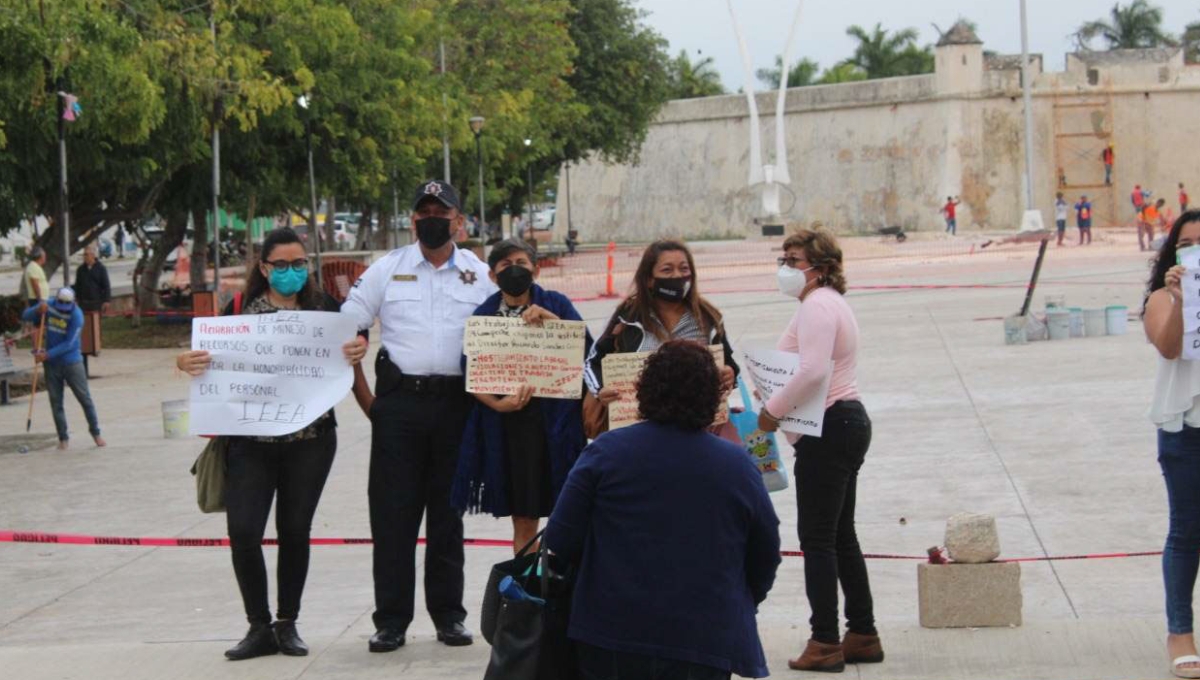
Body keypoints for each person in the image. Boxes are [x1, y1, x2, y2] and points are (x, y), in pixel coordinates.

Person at [175, 227, 368, 661]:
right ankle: (258, 625)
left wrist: (358, 349)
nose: (291, 272)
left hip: (311, 441)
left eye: (299, 263)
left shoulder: (324, 309)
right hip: (249, 442)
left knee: (295, 531)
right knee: (243, 531)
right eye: (280, 265)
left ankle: (287, 623)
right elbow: (205, 357)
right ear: (264, 268)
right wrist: (185, 361)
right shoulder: (239, 310)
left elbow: (355, 341)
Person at [546, 340, 781, 680]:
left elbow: (561, 537)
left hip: (611, 633)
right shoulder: (737, 465)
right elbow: (766, 553)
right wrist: (739, 601)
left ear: (643, 391)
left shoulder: (606, 453)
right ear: (713, 398)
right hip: (704, 639)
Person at [341, 179, 496, 653]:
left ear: (459, 222)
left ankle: (449, 615)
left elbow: (505, 326)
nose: (432, 219)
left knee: (447, 518)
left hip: (457, 406)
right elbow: (347, 329)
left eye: (441, 212)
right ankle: (390, 620)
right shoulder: (386, 270)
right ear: (412, 221)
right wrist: (372, 405)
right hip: (400, 407)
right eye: (424, 212)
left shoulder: (478, 273)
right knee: (393, 517)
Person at [759, 228, 882, 673]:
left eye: (794, 261)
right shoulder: (831, 304)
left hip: (829, 427)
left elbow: (812, 371)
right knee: (840, 534)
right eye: (784, 259)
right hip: (845, 422)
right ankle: (862, 632)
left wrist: (771, 411)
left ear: (821, 267)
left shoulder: (817, 306)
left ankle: (825, 640)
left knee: (817, 539)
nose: (785, 269)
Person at [451, 238, 591, 553]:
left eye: (521, 264)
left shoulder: (557, 303)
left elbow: (585, 351)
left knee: (570, 509)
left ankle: (567, 588)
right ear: (492, 275)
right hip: (512, 429)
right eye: (505, 266)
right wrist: (499, 404)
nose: (514, 271)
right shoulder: (484, 315)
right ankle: (530, 592)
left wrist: (550, 322)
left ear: (535, 270)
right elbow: (472, 374)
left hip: (558, 425)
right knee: (524, 519)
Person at [584, 239, 738, 431]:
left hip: (696, 430)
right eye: (667, 270)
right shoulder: (629, 316)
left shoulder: (708, 318)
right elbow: (592, 362)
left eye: (684, 269)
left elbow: (730, 365)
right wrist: (600, 390)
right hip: (638, 431)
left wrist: (729, 374)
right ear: (649, 279)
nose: (677, 276)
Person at [1143, 210, 1200, 679]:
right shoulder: (1162, 298)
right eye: (1187, 243)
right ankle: (1180, 632)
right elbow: (1167, 347)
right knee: (1187, 532)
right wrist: (1183, 301)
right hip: (1186, 429)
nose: (1196, 249)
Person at [21, 287, 105, 450]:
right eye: (59, 305)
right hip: (52, 365)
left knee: (85, 399)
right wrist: (38, 309)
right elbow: (26, 316)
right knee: (56, 402)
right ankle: (63, 437)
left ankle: (96, 433)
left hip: (72, 362)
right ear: (57, 300)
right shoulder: (50, 305)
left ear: (73, 303)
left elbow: (70, 343)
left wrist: (48, 354)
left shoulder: (77, 316)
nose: (62, 309)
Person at [74, 245, 111, 313]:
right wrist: (76, 299)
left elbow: (106, 286)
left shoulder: (101, 268)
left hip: (96, 302)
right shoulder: (80, 269)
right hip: (83, 302)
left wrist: (107, 300)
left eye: (86, 255)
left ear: (93, 255)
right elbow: (77, 285)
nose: (84, 257)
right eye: (84, 255)